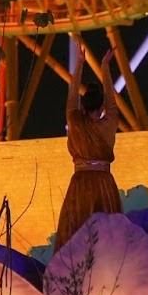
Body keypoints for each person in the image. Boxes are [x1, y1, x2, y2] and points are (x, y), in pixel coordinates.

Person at [53, 61, 122, 250]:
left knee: (76, 234)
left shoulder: (75, 122)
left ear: (83, 108)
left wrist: (79, 66)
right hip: (104, 185)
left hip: (80, 185)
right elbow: (112, 102)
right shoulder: (109, 123)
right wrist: (106, 68)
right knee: (107, 239)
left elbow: (71, 98)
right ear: (101, 109)